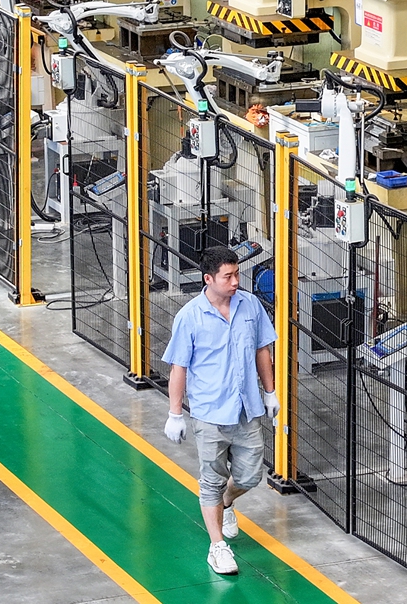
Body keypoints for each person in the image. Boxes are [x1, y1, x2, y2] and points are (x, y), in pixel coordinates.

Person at [161, 246, 278, 576]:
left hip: (246, 408)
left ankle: (227, 502)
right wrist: (175, 412)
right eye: (228, 276)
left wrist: (270, 393)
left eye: (237, 274)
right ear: (208, 279)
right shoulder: (190, 317)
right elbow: (179, 367)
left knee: (250, 475)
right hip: (210, 412)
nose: (235, 281)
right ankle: (217, 547)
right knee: (210, 480)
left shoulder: (250, 306)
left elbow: (262, 350)